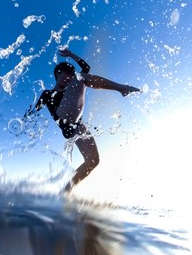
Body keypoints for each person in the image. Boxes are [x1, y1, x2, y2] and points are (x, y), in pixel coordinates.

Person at [27, 48, 139, 193]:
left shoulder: (71, 88)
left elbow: (86, 68)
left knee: (93, 160)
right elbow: (34, 110)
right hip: (64, 119)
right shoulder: (48, 93)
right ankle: (122, 88)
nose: (68, 77)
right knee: (80, 78)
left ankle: (65, 191)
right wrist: (25, 120)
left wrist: (71, 54)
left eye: (70, 74)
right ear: (57, 74)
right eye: (66, 74)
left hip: (77, 126)